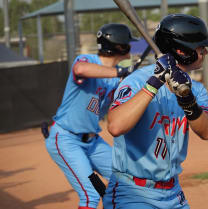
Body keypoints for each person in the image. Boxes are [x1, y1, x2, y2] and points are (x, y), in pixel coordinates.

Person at [103, 14, 208, 209]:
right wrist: (154, 83)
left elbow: (206, 132)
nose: (205, 52)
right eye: (200, 48)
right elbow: (115, 126)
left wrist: (187, 98)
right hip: (133, 192)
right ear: (183, 51)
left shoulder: (195, 89)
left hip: (173, 192)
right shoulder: (138, 81)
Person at [45, 23, 138, 209]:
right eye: (127, 44)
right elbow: (80, 70)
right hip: (67, 140)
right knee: (91, 194)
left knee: (126, 182)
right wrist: (121, 72)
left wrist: (131, 79)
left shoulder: (114, 79)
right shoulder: (87, 60)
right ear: (120, 47)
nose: (131, 47)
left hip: (93, 143)